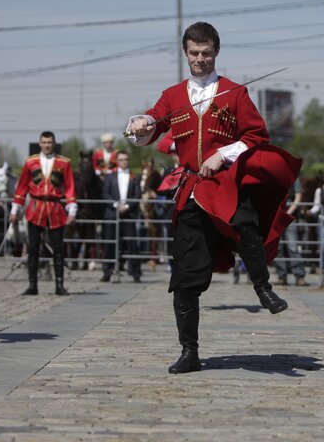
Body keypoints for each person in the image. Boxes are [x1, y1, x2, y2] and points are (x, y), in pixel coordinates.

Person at [125, 22, 301, 374]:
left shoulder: (235, 93)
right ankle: (189, 352)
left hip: (226, 183)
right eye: (194, 53)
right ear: (185, 52)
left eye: (206, 53)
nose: (200, 59)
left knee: (245, 223)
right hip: (190, 190)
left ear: (216, 52)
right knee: (185, 274)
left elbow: (256, 135)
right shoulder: (173, 95)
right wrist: (139, 124)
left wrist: (223, 155)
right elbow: (154, 122)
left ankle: (263, 288)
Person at [10, 131, 77, 296]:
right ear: (40, 144)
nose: (47, 145)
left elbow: (69, 187)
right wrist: (15, 209)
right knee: (32, 248)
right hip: (35, 208)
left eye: (49, 142)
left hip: (55, 209)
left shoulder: (64, 163)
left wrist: (72, 209)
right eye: (44, 142)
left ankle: (59, 286)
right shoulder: (30, 162)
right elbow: (22, 187)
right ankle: (33, 285)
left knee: (58, 249)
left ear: (54, 144)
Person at [101, 151, 143, 283]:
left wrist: (127, 206)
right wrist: (116, 205)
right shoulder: (110, 176)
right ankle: (107, 272)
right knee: (109, 244)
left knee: (132, 244)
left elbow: (137, 195)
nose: (123, 162)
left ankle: (136, 273)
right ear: (117, 161)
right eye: (121, 159)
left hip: (129, 214)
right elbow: (105, 194)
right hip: (112, 214)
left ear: (128, 160)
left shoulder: (134, 177)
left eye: (125, 159)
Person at [274, 177, 308, 286]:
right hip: (276, 217)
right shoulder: (275, 177)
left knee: (293, 247)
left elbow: (297, 198)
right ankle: (281, 276)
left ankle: (299, 276)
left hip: (289, 216)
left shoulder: (294, 178)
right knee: (278, 248)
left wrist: (287, 214)